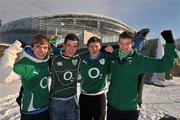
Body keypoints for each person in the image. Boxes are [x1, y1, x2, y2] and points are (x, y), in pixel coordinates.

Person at [106, 30, 178, 120]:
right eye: (121, 43)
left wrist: (170, 42)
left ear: (132, 44)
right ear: (118, 43)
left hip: (129, 110)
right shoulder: (113, 57)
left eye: (127, 43)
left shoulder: (139, 60)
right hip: (112, 106)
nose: (124, 47)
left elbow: (163, 65)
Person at [0, 34, 51, 120]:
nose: (41, 50)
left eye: (45, 47)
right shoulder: (24, 64)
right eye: (38, 46)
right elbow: (4, 77)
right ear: (32, 47)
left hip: (46, 107)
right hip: (31, 111)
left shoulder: (45, 62)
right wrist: (11, 52)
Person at [49, 33, 80, 120]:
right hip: (56, 101)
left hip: (72, 100)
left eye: (74, 46)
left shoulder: (78, 58)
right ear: (64, 45)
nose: (71, 49)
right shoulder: (53, 59)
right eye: (69, 45)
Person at [79, 36, 111, 120]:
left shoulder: (106, 57)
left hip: (99, 96)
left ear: (100, 47)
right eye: (91, 46)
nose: (94, 49)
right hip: (85, 96)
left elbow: (121, 53)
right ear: (88, 47)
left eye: (96, 46)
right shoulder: (82, 58)